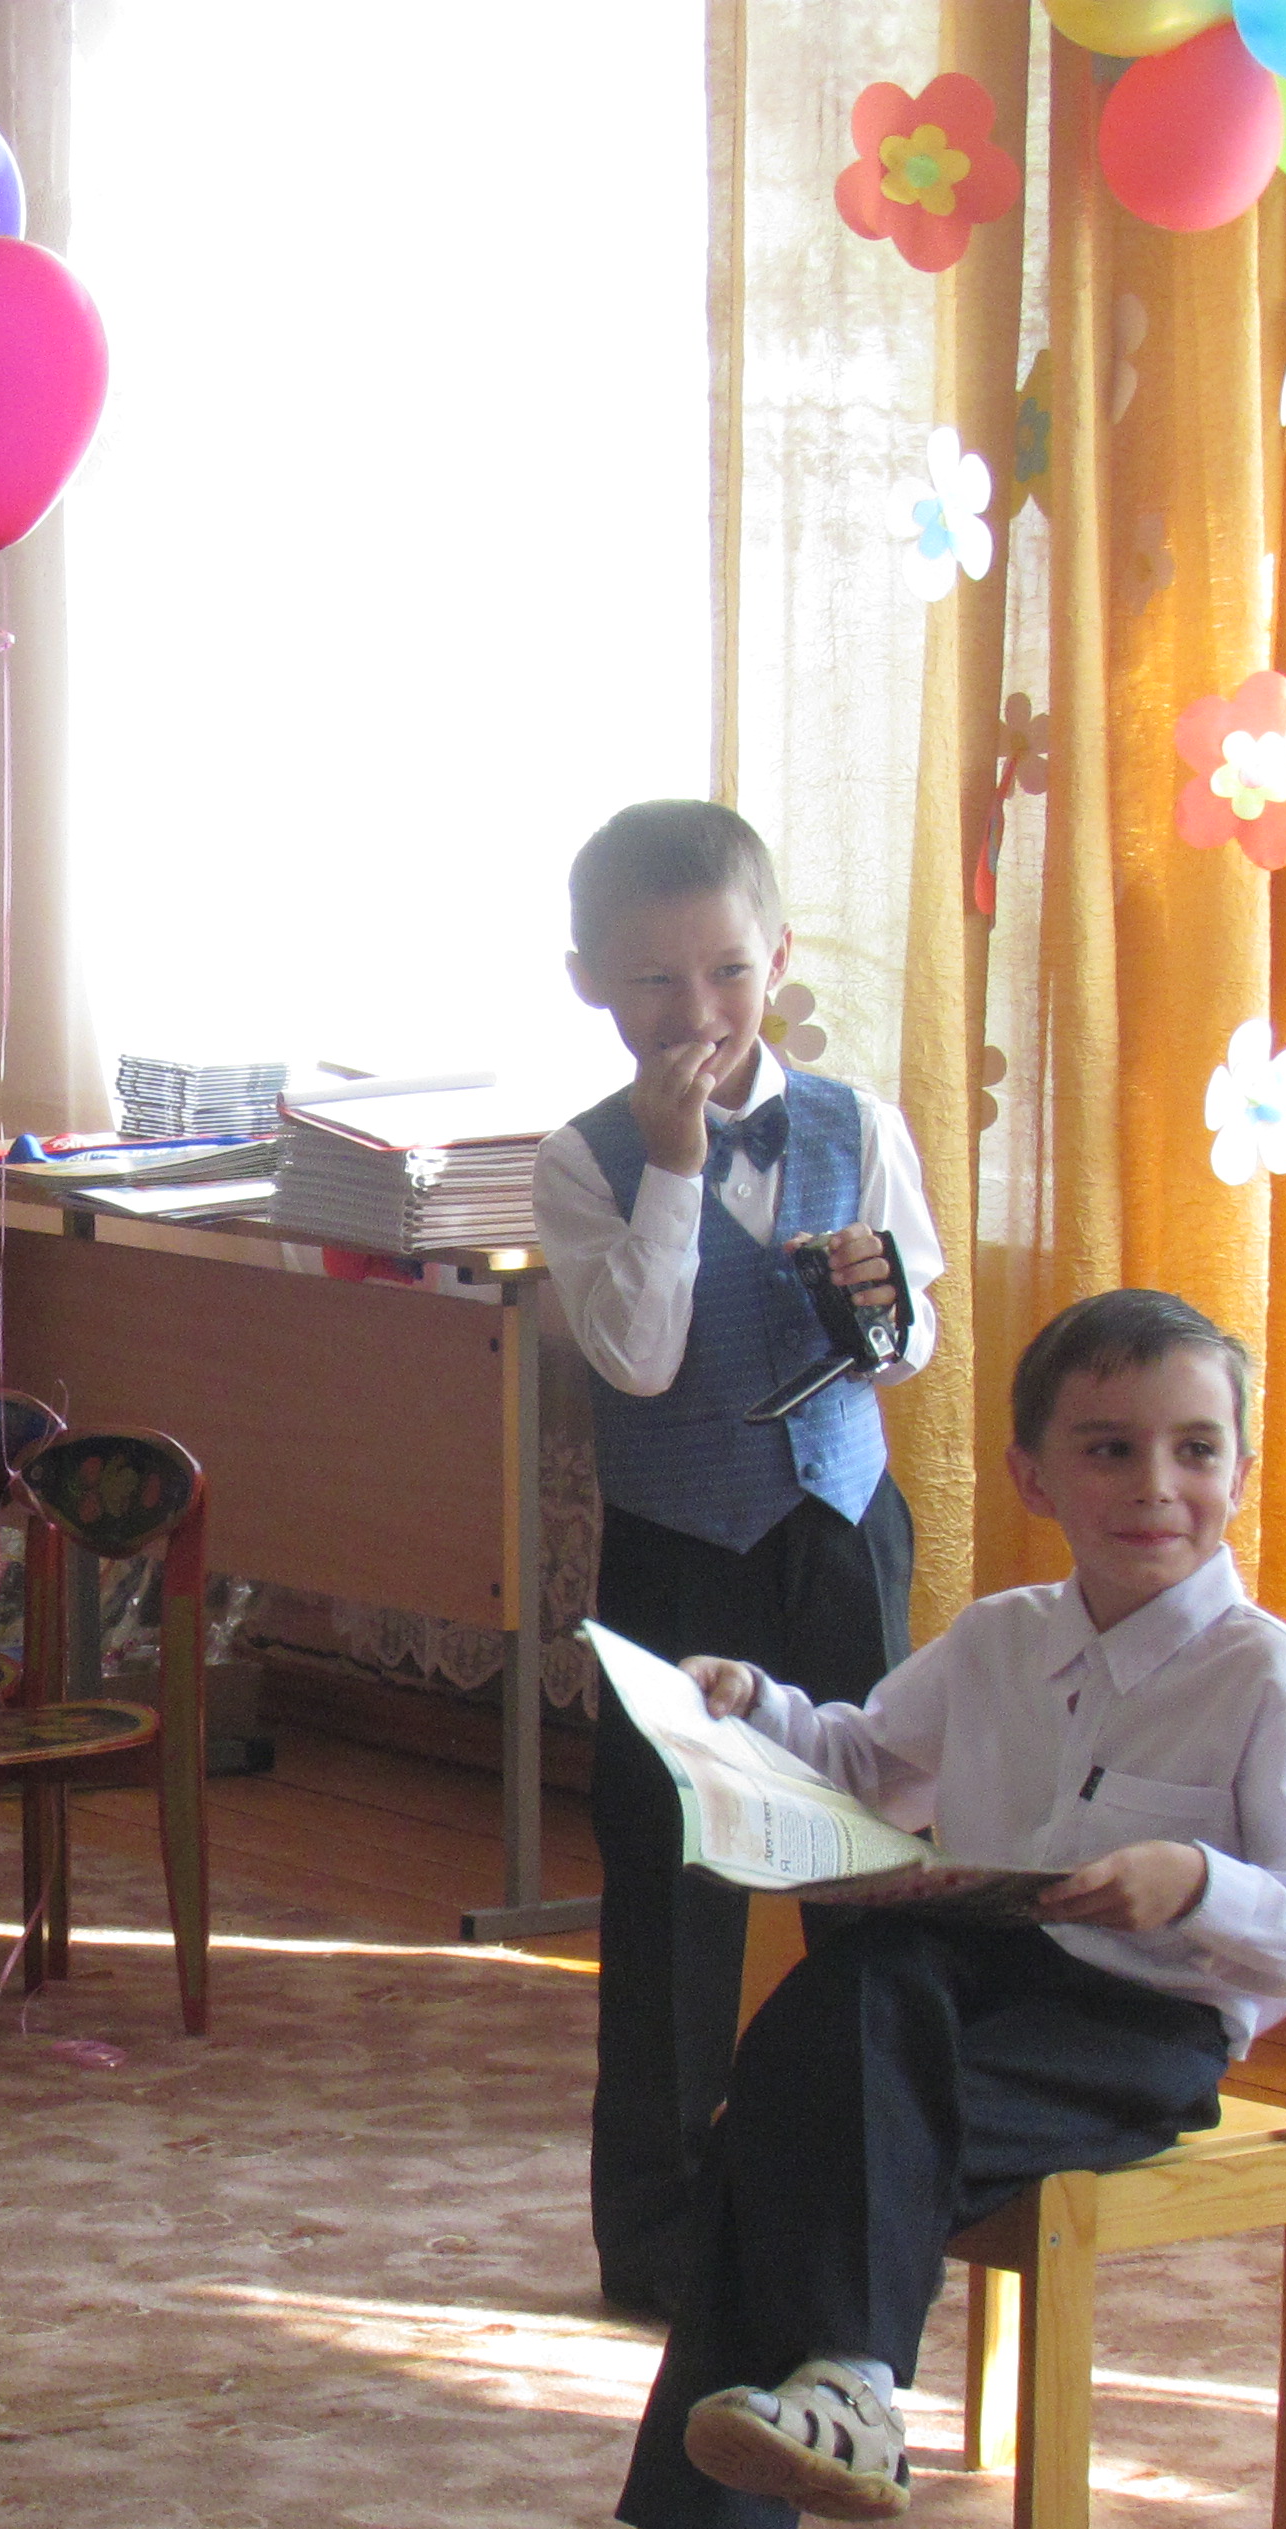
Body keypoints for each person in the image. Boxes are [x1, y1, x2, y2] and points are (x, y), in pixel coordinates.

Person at [536, 1289, 1286, 2529]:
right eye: (1108, 1450)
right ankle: (843, 2397)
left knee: (782, 2123)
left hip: (1137, 2032)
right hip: (970, 1993)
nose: (1155, 1487)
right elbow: (867, 1762)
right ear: (1034, 1477)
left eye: (1194, 1450)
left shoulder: (1268, 1680)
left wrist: (1195, 1883)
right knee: (854, 1993)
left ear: (1242, 1470)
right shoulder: (1001, 1636)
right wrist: (754, 1704)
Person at [536, 800, 947, 2319]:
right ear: (591, 982)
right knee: (670, 1885)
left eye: (724, 972)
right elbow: (638, 1361)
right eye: (654, 982)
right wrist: (671, 1169)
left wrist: (880, 1309)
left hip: (838, 1537)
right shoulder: (583, 1162)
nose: (696, 1013)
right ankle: (657, 2242)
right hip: (677, 1556)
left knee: (870, 1860)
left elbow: (913, 1341)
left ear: (775, 958)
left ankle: (871, 2196)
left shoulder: (858, 1126)